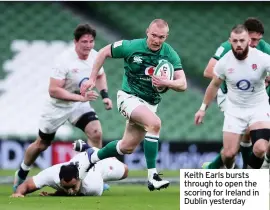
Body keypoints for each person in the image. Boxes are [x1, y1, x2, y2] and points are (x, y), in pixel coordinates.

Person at [79, 19, 187, 191]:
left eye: (161, 37)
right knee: (155, 124)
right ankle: (153, 176)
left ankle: (91, 157)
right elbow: (103, 52)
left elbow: (183, 84)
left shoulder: (170, 54)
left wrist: (168, 82)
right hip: (128, 97)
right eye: (153, 35)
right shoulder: (131, 46)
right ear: (147, 32)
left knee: (126, 147)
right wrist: (92, 78)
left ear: (166, 36)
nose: (157, 40)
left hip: (150, 104)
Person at [13, 23, 113, 191]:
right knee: (42, 144)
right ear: (75, 42)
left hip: (79, 105)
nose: (88, 45)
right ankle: (22, 171)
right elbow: (53, 90)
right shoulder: (64, 60)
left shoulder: (95, 57)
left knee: (96, 133)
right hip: (57, 107)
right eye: (84, 42)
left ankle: (94, 176)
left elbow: (101, 75)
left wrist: (105, 96)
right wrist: (80, 97)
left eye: (91, 41)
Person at [195, 24, 270, 169]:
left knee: (260, 147)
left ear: (248, 40)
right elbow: (214, 84)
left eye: (242, 40)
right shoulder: (224, 62)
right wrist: (202, 109)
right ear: (230, 41)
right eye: (235, 41)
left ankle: (250, 179)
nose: (239, 44)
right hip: (235, 108)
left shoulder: (263, 58)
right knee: (229, 154)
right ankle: (228, 171)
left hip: (258, 107)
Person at [11, 150, 128, 197]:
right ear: (58, 179)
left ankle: (110, 159)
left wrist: (56, 194)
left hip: (101, 165)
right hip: (80, 159)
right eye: (65, 188)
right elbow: (27, 185)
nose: (70, 191)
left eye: (72, 187)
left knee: (125, 172)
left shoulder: (92, 186)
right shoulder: (51, 174)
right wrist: (18, 193)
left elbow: (76, 194)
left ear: (79, 178)